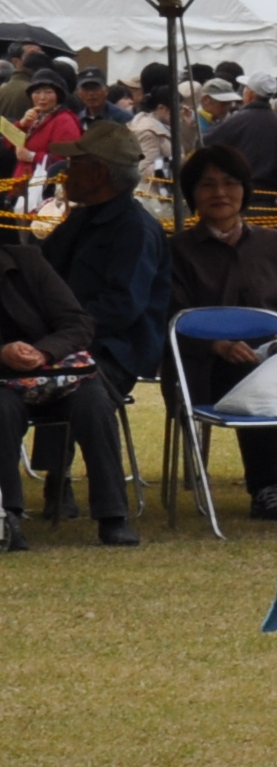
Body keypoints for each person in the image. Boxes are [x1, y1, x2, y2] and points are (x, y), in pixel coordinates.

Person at [170, 142, 277, 517]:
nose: (220, 193)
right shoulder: (176, 251)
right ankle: (270, 487)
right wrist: (217, 344)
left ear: (246, 190)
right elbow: (169, 314)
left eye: (230, 183)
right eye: (207, 185)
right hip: (206, 368)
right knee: (250, 370)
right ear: (192, 195)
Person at [34, 138, 164, 522]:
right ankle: (35, 486)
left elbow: (123, 307)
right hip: (66, 341)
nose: (64, 174)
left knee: (71, 378)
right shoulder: (81, 217)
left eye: (74, 166)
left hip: (116, 349)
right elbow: (39, 273)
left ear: (99, 173)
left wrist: (61, 336)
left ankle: (69, 485)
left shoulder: (136, 229)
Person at [0, 205, 134, 548]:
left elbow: (78, 323)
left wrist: (43, 351)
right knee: (2, 409)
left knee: (94, 401)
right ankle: (8, 516)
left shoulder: (28, 262)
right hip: (3, 383)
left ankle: (113, 516)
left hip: (54, 371)